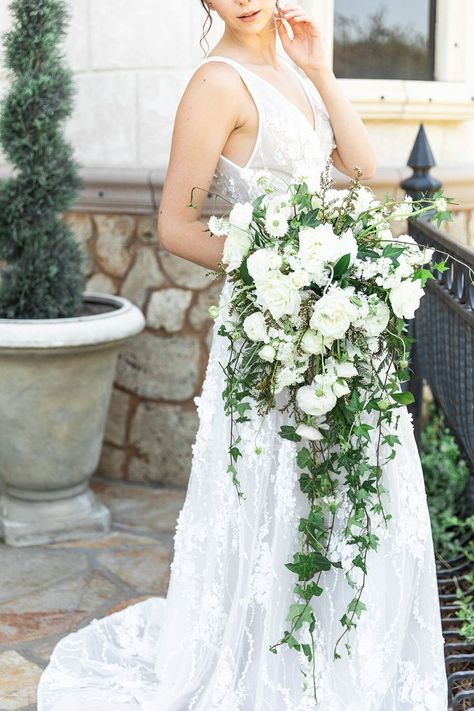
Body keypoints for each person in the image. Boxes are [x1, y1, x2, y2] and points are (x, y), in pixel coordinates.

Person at [37, 2, 448, 709]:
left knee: (351, 493)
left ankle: (331, 659)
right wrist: (283, 266)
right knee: (279, 490)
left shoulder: (289, 70)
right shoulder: (217, 84)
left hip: (332, 324)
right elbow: (177, 224)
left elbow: (359, 165)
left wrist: (321, 69)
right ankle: (275, 668)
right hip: (274, 329)